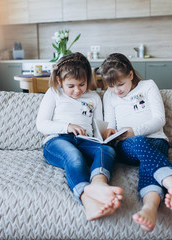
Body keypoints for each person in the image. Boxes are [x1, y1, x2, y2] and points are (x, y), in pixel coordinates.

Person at [98, 53, 172, 232]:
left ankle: (149, 208)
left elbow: (159, 119)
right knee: (140, 142)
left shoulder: (148, 86)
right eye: (111, 86)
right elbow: (110, 125)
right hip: (127, 147)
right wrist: (110, 131)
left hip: (156, 140)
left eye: (120, 84)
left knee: (149, 161)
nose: (117, 91)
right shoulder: (109, 96)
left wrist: (134, 131)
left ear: (130, 74)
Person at [36, 52, 123, 221]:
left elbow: (98, 126)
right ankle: (85, 196)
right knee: (74, 157)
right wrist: (67, 127)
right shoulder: (54, 94)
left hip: (86, 141)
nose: (77, 90)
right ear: (60, 81)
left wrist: (105, 135)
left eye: (82, 84)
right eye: (71, 86)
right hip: (57, 140)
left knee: (107, 151)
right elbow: (41, 124)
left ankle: (99, 183)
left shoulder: (94, 97)